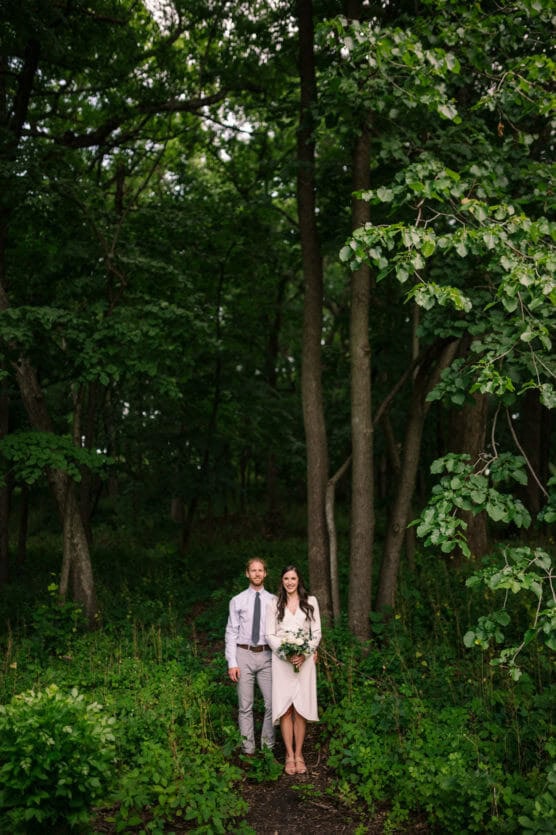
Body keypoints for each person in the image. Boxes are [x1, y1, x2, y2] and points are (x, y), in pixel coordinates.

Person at [266, 564, 321, 775]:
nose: (290, 582)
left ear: (299, 581)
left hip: (304, 662)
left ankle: (299, 754)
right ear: (282, 581)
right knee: (287, 708)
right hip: (282, 662)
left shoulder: (310, 602)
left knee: (300, 708)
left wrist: (305, 653)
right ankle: (288, 755)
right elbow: (270, 634)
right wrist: (286, 653)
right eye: (286, 578)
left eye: (293, 579)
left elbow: (315, 633)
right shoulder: (274, 603)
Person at [225, 557, 276, 755]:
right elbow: (231, 631)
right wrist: (232, 662)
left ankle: (267, 747)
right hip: (243, 654)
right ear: (247, 573)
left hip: (266, 655)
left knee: (272, 703)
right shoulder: (237, 601)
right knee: (245, 705)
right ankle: (248, 749)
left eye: (260, 570)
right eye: (253, 570)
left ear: (265, 574)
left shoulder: (274, 601)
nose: (256, 573)